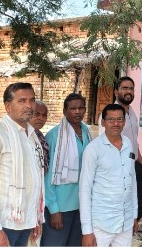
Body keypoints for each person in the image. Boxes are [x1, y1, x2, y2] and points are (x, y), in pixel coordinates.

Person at [0, 82, 43, 247]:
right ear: (7, 106)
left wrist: (35, 218)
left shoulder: (32, 137)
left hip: (25, 223)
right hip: (1, 224)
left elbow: (35, 180)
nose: (29, 105)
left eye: (32, 100)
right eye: (22, 101)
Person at [80, 104, 138, 247]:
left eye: (119, 119)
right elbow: (84, 190)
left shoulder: (128, 144)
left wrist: (134, 215)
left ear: (124, 121)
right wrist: (87, 231)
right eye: (111, 119)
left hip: (125, 221)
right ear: (103, 122)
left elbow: (132, 180)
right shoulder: (93, 149)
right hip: (101, 224)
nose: (116, 123)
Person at [43, 93, 92, 247]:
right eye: (73, 108)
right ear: (65, 111)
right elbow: (47, 175)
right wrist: (53, 209)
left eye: (81, 108)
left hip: (82, 205)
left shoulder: (88, 133)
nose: (78, 111)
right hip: (60, 206)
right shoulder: (54, 135)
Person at [105, 77, 142, 219]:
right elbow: (107, 144)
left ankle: (129, 223)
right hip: (119, 166)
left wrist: (141, 163)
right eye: (124, 88)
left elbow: (134, 141)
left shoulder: (132, 113)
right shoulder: (111, 114)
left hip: (134, 163)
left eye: (131, 88)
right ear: (116, 91)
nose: (128, 91)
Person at [33, 100, 50, 173]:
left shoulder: (40, 136)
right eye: (36, 114)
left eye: (44, 115)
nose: (41, 118)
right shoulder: (22, 135)